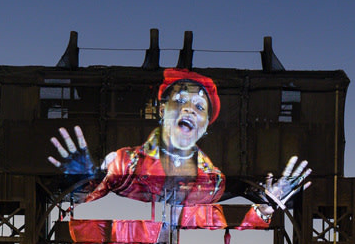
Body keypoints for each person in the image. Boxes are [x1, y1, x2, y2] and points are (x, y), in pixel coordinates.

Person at [48, 68, 309, 231]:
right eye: (180, 101)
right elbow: (85, 194)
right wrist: (77, 182)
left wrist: (266, 204)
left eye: (199, 106)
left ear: (206, 125)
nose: (188, 109)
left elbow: (216, 219)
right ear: (162, 110)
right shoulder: (124, 162)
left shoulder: (214, 181)